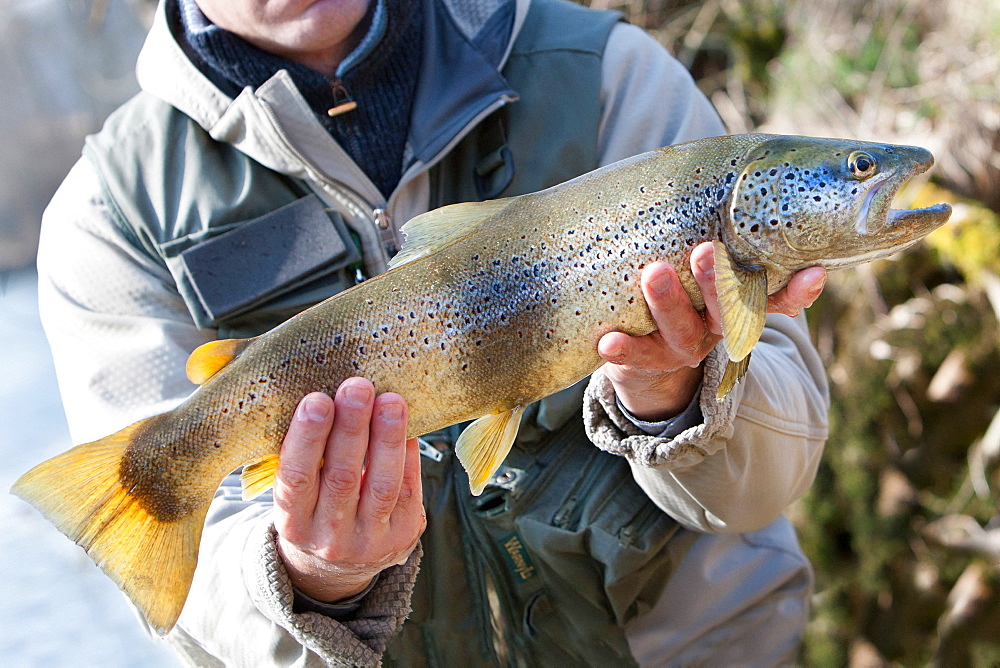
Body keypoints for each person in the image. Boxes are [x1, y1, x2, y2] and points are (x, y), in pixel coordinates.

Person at [36, 0, 830, 665]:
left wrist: (674, 396)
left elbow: (773, 479)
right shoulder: (111, 217)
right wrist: (309, 580)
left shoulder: (607, 74)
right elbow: (195, 600)